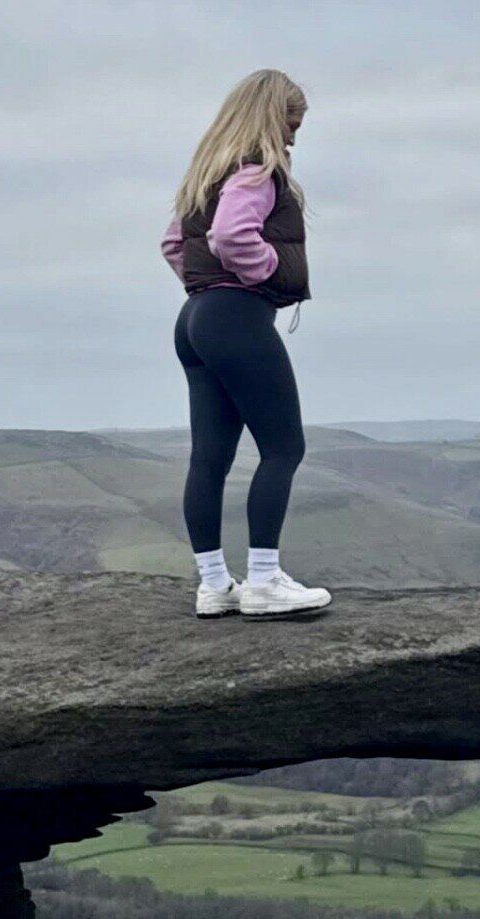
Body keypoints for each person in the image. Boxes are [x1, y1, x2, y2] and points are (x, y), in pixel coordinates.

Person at [161, 69, 332, 620]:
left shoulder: (205, 176)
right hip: (236, 316)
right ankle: (263, 581)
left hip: (196, 318)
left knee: (209, 458)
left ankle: (214, 585)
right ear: (270, 117)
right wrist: (265, 271)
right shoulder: (256, 172)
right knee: (284, 449)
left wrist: (207, 288)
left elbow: (173, 244)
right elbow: (233, 235)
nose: (293, 139)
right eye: (291, 124)